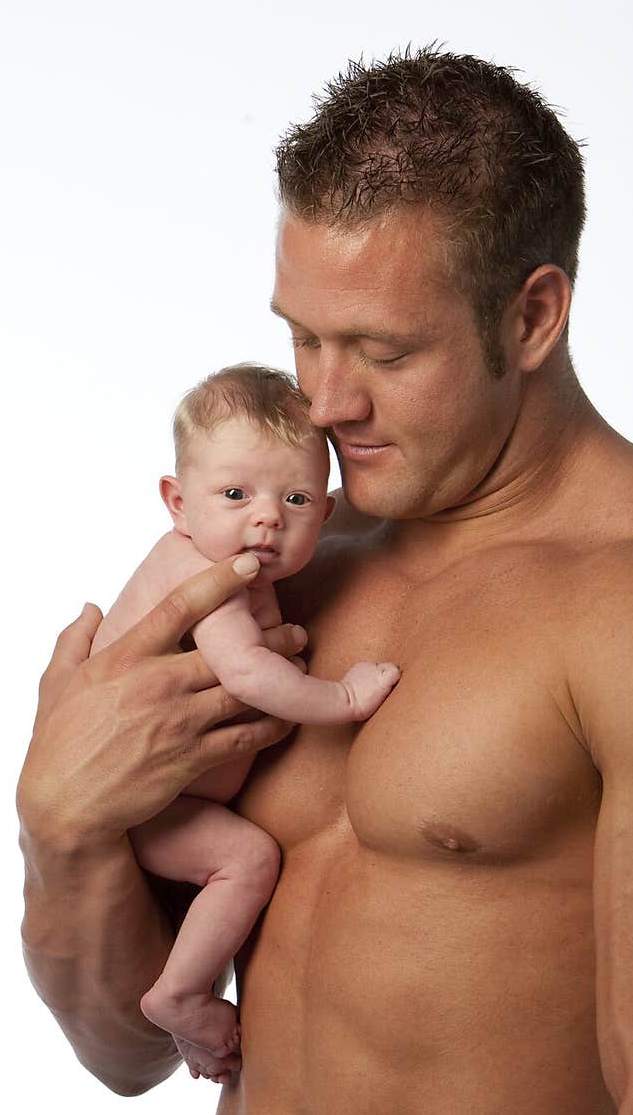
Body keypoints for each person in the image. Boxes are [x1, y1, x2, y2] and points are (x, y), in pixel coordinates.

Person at [17, 46, 633, 1115]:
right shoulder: (289, 583)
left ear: (532, 314)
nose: (324, 404)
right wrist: (61, 827)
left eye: (384, 351)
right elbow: (129, 1051)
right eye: (302, 337)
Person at [87, 363, 399, 1078]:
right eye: (235, 495)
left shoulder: (239, 565)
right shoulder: (203, 574)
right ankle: (180, 993)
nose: (267, 518)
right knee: (248, 860)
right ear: (177, 501)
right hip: (148, 805)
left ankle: (194, 1018)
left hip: (171, 798)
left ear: (325, 512)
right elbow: (250, 673)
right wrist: (343, 701)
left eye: (294, 498)